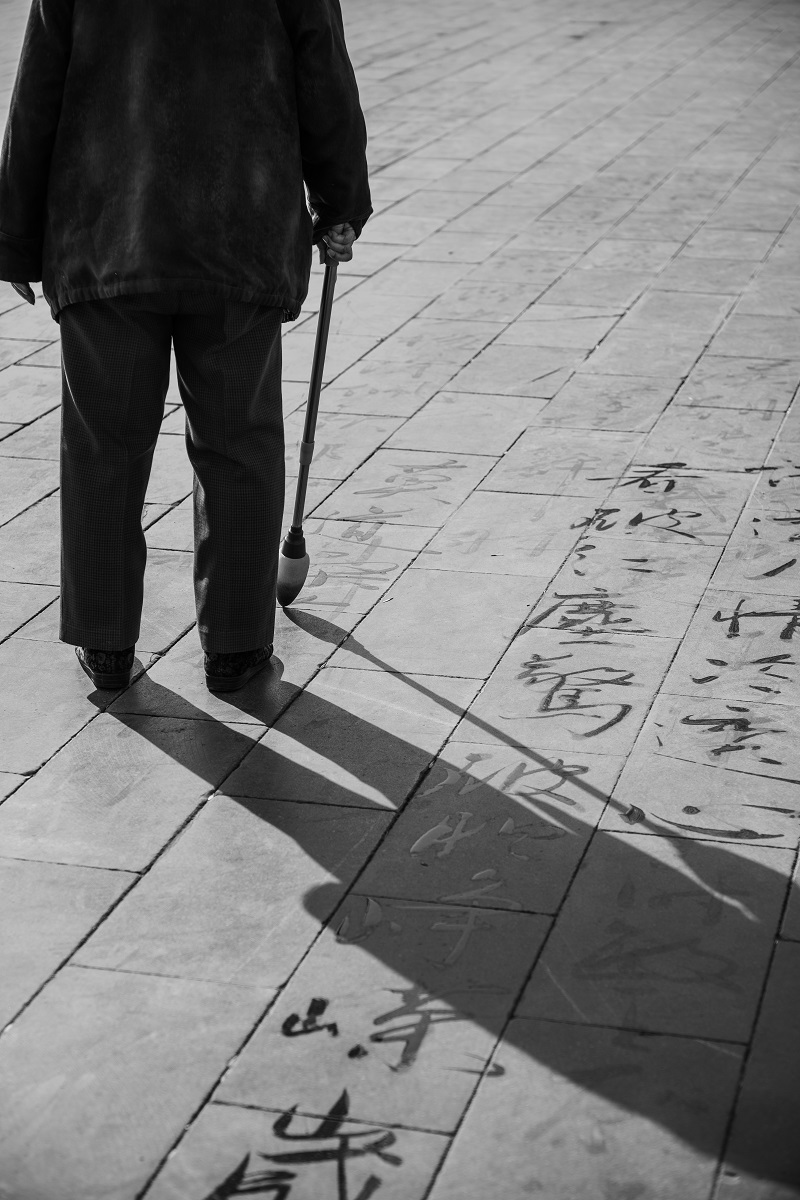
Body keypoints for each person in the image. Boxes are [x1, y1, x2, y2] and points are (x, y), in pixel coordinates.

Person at [0, 0, 371, 692]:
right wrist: (341, 201)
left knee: (103, 448)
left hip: (107, 234)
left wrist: (16, 237)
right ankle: (236, 645)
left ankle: (105, 640)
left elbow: (38, 90)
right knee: (239, 445)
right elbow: (323, 74)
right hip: (240, 234)